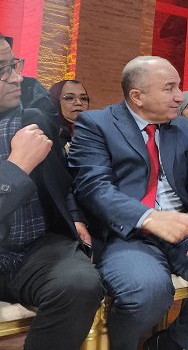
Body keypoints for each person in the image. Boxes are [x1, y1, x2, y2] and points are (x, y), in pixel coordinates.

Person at [68, 56, 188, 350]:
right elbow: (93, 187)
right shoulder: (97, 124)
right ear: (137, 96)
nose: (179, 96)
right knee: (148, 292)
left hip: (182, 229)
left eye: (179, 87)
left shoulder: (184, 128)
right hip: (127, 234)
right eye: (169, 88)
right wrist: (149, 217)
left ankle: (170, 343)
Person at [0, 37, 102, 350]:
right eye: (3, 70)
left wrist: (75, 218)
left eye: (15, 65)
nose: (17, 78)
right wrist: (17, 167)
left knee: (80, 283)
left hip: (33, 247)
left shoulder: (32, 120)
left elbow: (61, 181)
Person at [48, 79, 91, 149]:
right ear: (55, 101)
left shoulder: (94, 136)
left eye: (83, 98)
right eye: (69, 98)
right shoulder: (44, 135)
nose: (79, 103)